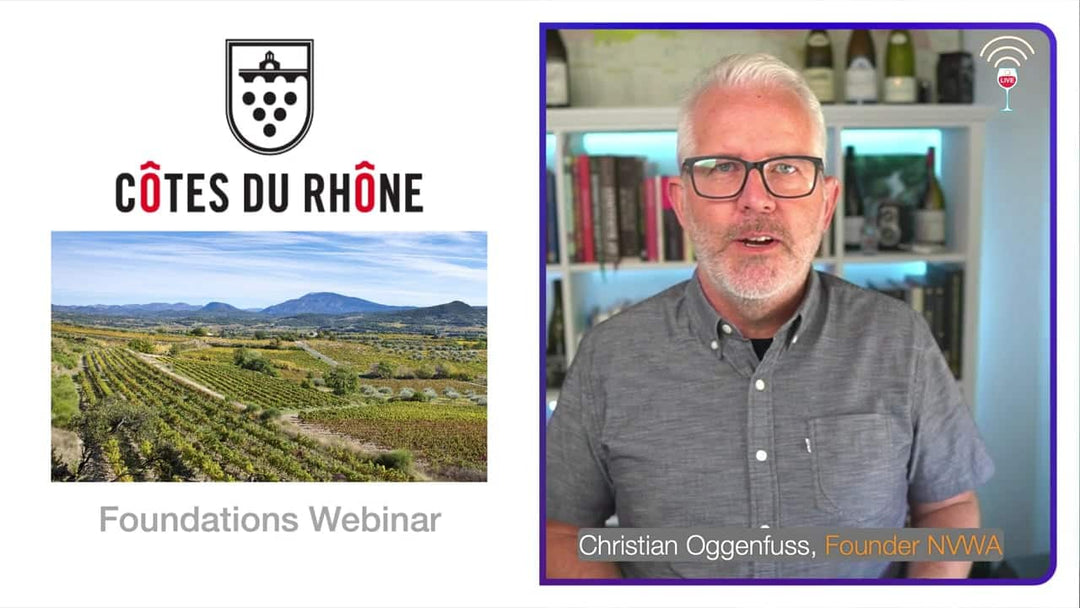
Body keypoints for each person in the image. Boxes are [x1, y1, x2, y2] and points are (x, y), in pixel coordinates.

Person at [545, 53, 994, 579]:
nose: (755, 200)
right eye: (722, 168)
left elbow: (946, 508)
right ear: (681, 203)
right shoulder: (609, 355)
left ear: (826, 204)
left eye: (785, 167)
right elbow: (561, 530)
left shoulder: (901, 341)